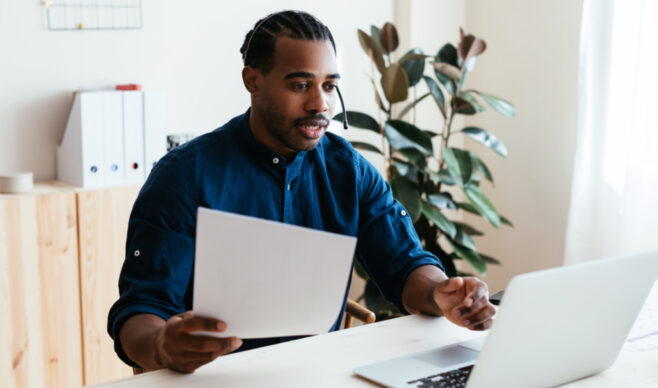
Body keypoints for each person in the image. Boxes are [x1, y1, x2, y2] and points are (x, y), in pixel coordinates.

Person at [107, 10, 496, 374]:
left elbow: (406, 266)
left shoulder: (351, 171)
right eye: (300, 85)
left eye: (329, 86)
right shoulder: (183, 176)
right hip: (211, 377)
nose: (320, 103)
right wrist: (161, 346)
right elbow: (141, 311)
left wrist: (440, 293)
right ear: (253, 81)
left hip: (316, 373)